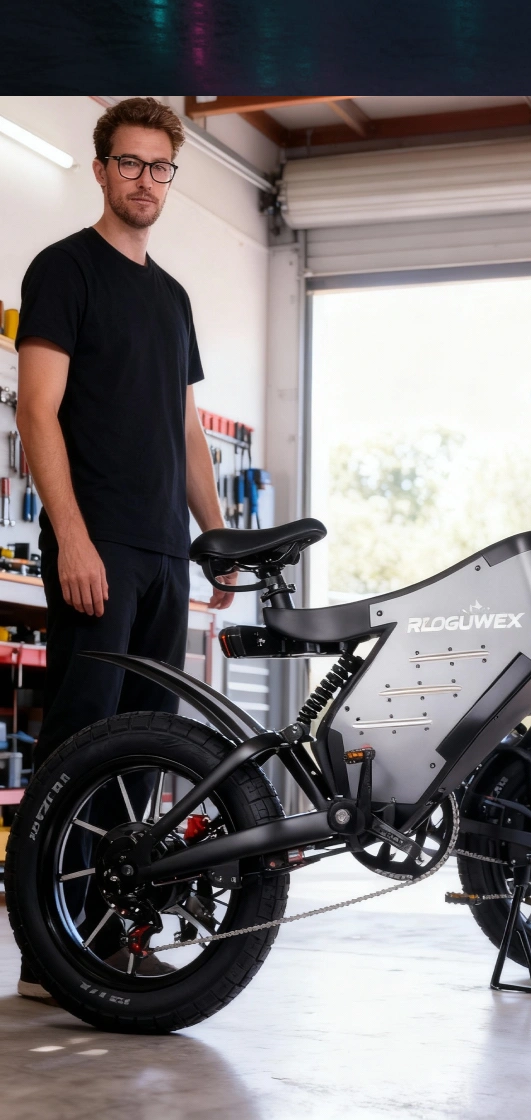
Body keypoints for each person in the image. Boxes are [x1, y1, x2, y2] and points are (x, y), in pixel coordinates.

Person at [13, 97, 236, 999]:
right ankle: (46, 954)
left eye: (161, 167)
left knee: (145, 750)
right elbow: (36, 411)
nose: (147, 181)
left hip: (165, 555)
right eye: (131, 164)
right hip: (96, 546)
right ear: (103, 168)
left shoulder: (173, 297)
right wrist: (71, 536)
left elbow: (187, 430)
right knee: (78, 745)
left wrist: (215, 535)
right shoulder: (63, 270)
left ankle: (107, 937)